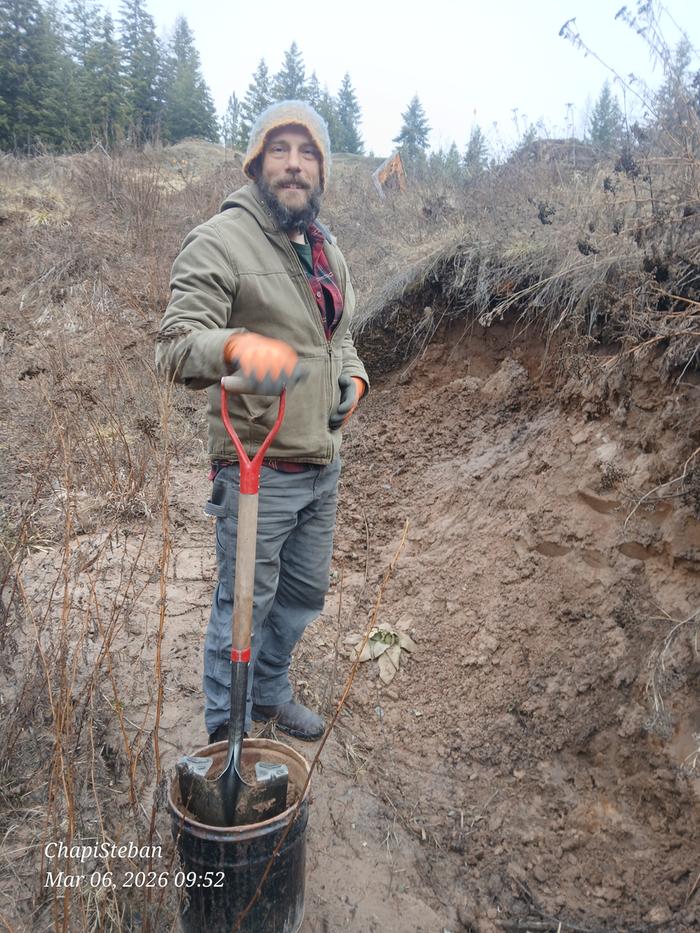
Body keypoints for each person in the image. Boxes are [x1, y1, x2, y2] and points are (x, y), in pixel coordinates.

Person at [156, 100, 369, 743]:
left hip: (320, 459)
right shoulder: (222, 239)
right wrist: (233, 348)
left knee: (301, 596)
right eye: (280, 150)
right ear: (256, 161)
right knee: (242, 605)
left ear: (322, 171)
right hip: (257, 462)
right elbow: (175, 345)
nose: (294, 166)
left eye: (308, 154)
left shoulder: (325, 246)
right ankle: (229, 729)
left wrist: (355, 378)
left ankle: (271, 691)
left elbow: (339, 335)